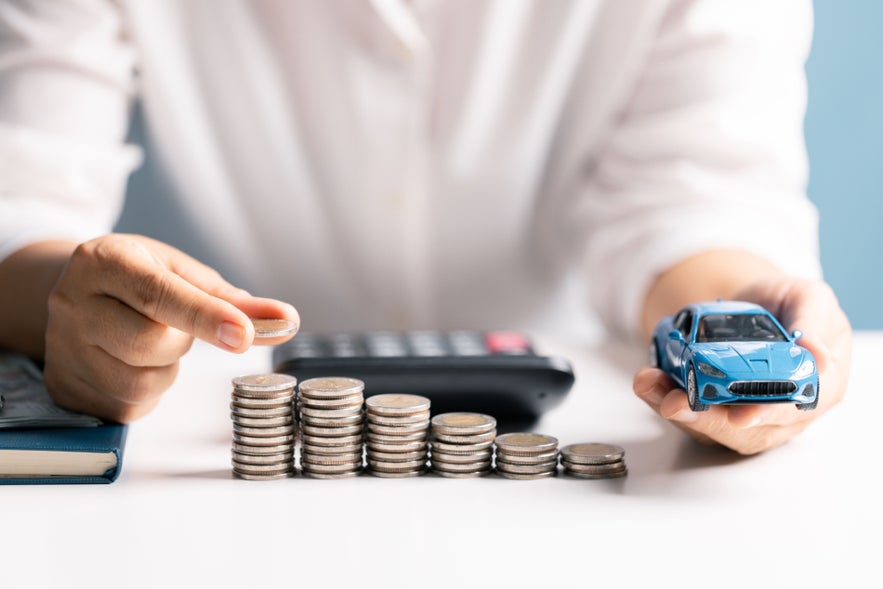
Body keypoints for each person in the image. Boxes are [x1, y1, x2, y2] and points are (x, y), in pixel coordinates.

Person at [0, 1, 851, 455]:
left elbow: (688, 201)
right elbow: (23, 195)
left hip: (578, 417)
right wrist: (70, 305)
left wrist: (744, 316)